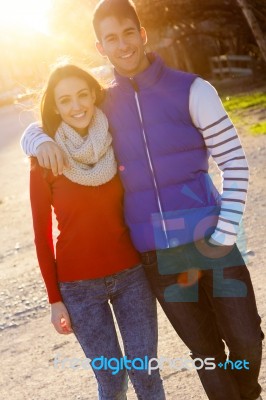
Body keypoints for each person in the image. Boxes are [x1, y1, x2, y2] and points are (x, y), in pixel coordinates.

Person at [21, 1, 263, 399]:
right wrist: (38, 138)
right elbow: (55, 110)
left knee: (246, 338)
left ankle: (247, 392)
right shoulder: (104, 103)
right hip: (157, 255)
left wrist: (224, 233)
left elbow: (235, 164)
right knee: (203, 351)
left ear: (142, 34)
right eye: (111, 38)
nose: (122, 45)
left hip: (212, 240)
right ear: (100, 47)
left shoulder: (193, 89)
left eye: (128, 33)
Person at [28, 63, 165, 400]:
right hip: (78, 288)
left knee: (146, 373)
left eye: (82, 95)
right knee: (112, 381)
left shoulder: (117, 142)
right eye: (65, 100)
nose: (76, 106)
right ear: (55, 107)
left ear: (94, 96)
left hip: (132, 277)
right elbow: (42, 237)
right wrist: (54, 300)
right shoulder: (44, 160)